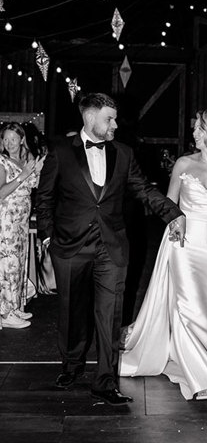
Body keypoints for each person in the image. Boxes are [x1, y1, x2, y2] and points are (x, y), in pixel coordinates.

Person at [35, 93, 186, 406]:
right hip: (70, 246)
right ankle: (72, 364)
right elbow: (45, 197)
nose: (115, 124)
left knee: (109, 315)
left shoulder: (124, 153)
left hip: (111, 246)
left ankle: (104, 381)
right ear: (90, 119)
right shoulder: (61, 151)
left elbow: (144, 189)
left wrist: (174, 213)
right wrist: (49, 237)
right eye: (110, 118)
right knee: (72, 313)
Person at [119, 109, 207, 401]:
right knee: (187, 305)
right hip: (184, 240)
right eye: (195, 129)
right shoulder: (183, 163)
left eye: (200, 129)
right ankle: (199, 374)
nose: (194, 134)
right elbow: (169, 202)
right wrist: (173, 224)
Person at [0, 123, 45, 329]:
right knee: (9, 265)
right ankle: (6, 313)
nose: (9, 143)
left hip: (22, 220)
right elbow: (1, 193)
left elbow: (33, 185)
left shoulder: (23, 160)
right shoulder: (2, 161)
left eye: (13, 139)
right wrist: (24, 175)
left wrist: (38, 170)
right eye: (5, 139)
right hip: (7, 220)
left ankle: (15, 305)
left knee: (20, 262)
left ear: (21, 140)